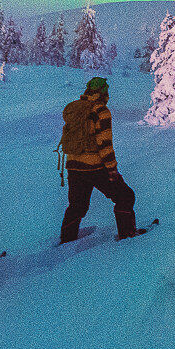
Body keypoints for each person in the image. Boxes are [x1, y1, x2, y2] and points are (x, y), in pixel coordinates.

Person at [59, 77, 144, 242]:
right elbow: (104, 144)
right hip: (94, 167)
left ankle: (66, 240)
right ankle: (127, 236)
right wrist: (112, 169)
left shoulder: (77, 108)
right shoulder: (101, 111)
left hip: (73, 165)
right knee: (125, 196)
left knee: (77, 206)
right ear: (104, 93)